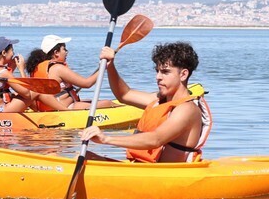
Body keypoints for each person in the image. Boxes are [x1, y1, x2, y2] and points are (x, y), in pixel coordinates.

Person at [81, 41, 211, 162]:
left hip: (165, 177)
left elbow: (156, 139)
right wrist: (110, 66)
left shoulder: (187, 109)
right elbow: (124, 94)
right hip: (144, 168)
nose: (158, 77)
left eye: (165, 72)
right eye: (157, 71)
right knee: (85, 156)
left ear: (183, 75)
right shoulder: (159, 101)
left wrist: (105, 139)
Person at [25, 34, 98, 111]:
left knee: (92, 101)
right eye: (64, 49)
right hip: (64, 107)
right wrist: (104, 67)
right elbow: (87, 83)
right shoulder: (58, 68)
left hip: (49, 107)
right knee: (107, 103)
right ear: (56, 52)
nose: (67, 52)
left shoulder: (39, 66)